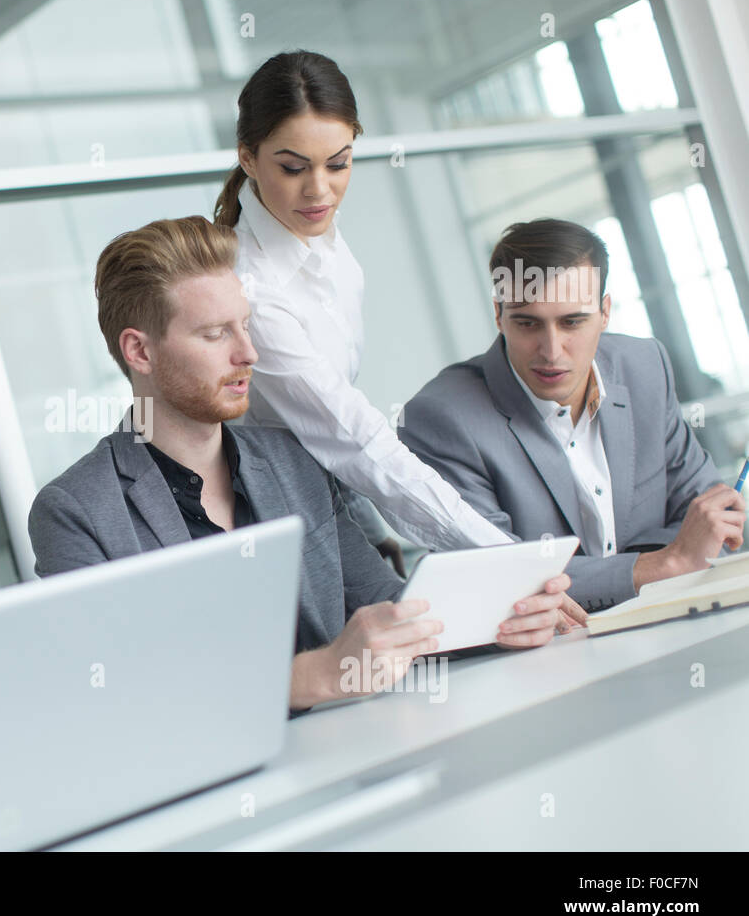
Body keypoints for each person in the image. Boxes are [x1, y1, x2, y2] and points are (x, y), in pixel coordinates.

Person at [28, 216, 582, 710]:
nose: (248, 352)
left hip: (345, 761)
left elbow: (385, 607)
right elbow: (111, 697)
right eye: (215, 333)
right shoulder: (75, 512)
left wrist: (495, 622)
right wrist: (314, 676)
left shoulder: (293, 462)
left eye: (244, 324)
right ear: (139, 351)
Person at [213, 50, 511, 556]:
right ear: (248, 158)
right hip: (275, 525)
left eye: (339, 163)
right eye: (292, 168)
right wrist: (497, 548)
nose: (319, 190)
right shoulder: (253, 293)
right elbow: (352, 435)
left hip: (334, 499)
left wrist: (370, 528)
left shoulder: (325, 243)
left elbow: (331, 425)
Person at [399, 218, 744, 612]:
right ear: (499, 315)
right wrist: (667, 561)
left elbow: (711, 522)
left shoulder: (644, 366)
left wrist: (675, 553)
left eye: (572, 322)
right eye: (528, 323)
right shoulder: (442, 419)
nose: (551, 351)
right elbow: (496, 580)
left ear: (605, 312)